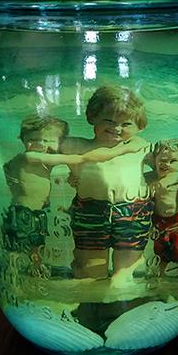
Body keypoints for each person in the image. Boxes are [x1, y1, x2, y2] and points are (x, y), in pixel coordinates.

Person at [2, 114, 140, 273]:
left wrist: (72, 177)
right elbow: (78, 159)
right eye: (33, 139)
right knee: (19, 245)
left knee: (36, 244)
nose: (40, 144)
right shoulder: (31, 156)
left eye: (47, 140)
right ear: (22, 139)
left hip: (36, 212)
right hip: (23, 212)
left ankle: (33, 270)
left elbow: (14, 170)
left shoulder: (38, 159)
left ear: (59, 143)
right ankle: (14, 270)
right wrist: (121, 150)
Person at [61, 85, 154, 285]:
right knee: (90, 274)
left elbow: (167, 168)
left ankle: (129, 268)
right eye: (108, 121)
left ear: (139, 126)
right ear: (92, 117)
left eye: (126, 124)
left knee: (121, 280)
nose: (116, 128)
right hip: (90, 211)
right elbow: (46, 146)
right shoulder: (77, 146)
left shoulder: (141, 147)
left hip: (132, 211)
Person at [148, 139, 178, 282]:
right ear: (154, 161)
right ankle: (160, 280)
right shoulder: (151, 181)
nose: (167, 164)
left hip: (176, 220)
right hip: (159, 222)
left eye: (173, 161)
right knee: (161, 252)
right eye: (163, 160)